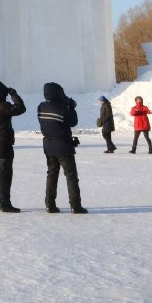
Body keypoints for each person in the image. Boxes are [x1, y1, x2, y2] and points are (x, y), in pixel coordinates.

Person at [38, 82, 87, 214]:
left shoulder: (41, 107)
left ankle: (50, 204)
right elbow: (73, 121)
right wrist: (71, 107)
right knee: (71, 177)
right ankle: (75, 205)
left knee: (51, 176)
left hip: (48, 146)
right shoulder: (62, 108)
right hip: (63, 146)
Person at [0, 79, 26, 213]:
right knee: (5, 174)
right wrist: (13, 94)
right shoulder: (4, 106)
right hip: (3, 144)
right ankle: (5, 203)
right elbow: (21, 108)